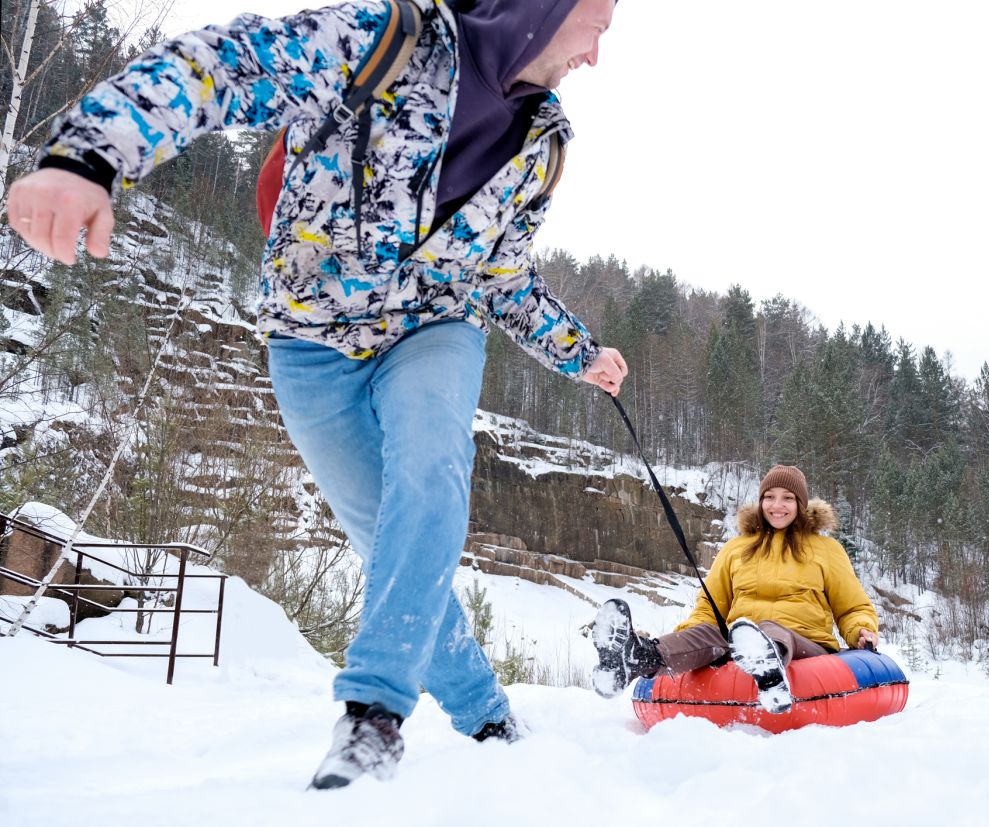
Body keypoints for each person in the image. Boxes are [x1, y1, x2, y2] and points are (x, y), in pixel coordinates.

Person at [6, 0, 627, 789]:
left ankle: (372, 721)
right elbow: (232, 62)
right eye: (598, 25)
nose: (597, 57)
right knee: (392, 547)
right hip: (310, 341)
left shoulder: (542, 145)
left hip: (434, 327)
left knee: (431, 477)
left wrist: (582, 354)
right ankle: (485, 711)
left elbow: (501, 274)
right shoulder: (391, 41)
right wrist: (90, 154)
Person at [591, 464, 879, 714]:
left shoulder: (826, 549)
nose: (777, 506)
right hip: (740, 641)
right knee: (713, 633)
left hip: (802, 643)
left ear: (801, 504)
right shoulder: (736, 548)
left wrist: (861, 630)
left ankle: (769, 667)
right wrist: (688, 636)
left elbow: (852, 607)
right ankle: (635, 657)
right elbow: (709, 607)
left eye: (787, 499)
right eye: (769, 497)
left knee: (768, 628)